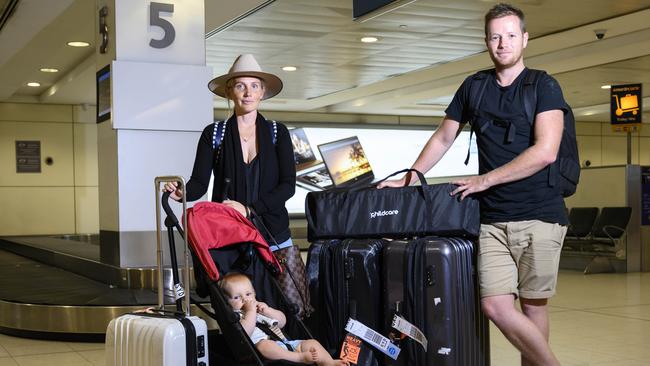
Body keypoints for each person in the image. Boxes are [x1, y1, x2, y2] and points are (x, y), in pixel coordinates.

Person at [378, 3, 567, 365]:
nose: (503, 43)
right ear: (486, 41)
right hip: (491, 217)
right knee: (494, 305)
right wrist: (409, 176)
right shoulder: (474, 86)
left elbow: (546, 151)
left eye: (511, 35)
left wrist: (485, 180)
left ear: (525, 39)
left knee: (533, 305)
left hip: (540, 214)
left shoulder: (544, 85)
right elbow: (443, 138)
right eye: (495, 36)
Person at [164, 54, 296, 250]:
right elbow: (199, 184)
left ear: (262, 92)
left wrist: (249, 210)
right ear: (229, 91)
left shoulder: (278, 132)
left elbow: (287, 186)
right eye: (240, 86)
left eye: (254, 86)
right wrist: (181, 192)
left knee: (282, 282)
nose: (248, 93)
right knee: (232, 282)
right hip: (229, 234)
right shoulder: (214, 133)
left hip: (275, 236)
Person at [219, 272, 348, 366]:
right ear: (226, 302)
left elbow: (282, 322)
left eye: (248, 294)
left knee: (312, 343)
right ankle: (299, 358)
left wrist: (268, 310)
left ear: (254, 294)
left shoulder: (260, 307)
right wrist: (250, 312)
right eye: (236, 297)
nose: (245, 299)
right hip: (265, 352)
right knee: (264, 345)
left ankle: (329, 363)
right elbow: (244, 334)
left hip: (286, 344)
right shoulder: (236, 317)